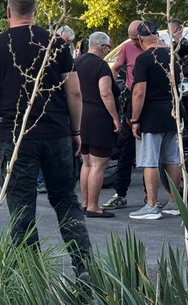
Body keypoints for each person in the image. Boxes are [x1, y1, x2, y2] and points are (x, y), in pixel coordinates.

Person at [0, 0, 90, 278]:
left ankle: (32, 277)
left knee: (22, 207)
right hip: (57, 133)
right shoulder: (56, 44)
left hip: (18, 136)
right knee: (66, 201)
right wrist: (75, 131)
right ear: (34, 12)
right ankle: (84, 266)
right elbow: (74, 93)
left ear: (8, 12)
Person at [128, 21, 182, 220]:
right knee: (172, 159)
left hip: (151, 115)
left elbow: (139, 92)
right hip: (172, 112)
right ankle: (174, 202)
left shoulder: (143, 59)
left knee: (149, 161)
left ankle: (151, 206)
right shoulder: (171, 56)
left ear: (141, 39)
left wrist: (135, 119)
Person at [76, 32, 121, 217]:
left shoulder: (76, 63)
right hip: (98, 118)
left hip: (80, 115)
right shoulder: (101, 65)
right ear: (103, 47)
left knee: (86, 163)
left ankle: (86, 203)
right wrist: (115, 117)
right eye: (108, 47)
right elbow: (105, 93)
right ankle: (94, 206)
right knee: (99, 164)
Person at [101, 20, 143, 210]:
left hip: (148, 100)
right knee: (127, 150)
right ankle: (120, 193)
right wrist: (113, 85)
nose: (135, 42)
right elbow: (116, 67)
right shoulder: (127, 48)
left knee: (153, 153)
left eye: (137, 38)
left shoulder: (157, 48)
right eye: (132, 38)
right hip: (131, 99)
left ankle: (151, 195)